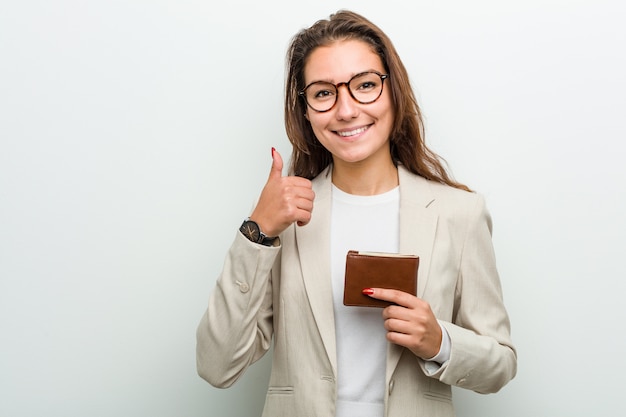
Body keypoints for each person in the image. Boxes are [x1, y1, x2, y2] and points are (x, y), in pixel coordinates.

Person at [196, 9, 516, 417]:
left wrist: (440, 341)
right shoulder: (284, 220)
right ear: (306, 110)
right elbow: (216, 366)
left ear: (393, 92)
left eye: (365, 85)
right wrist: (256, 231)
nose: (346, 110)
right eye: (324, 92)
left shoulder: (459, 213)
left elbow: (501, 364)